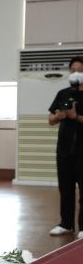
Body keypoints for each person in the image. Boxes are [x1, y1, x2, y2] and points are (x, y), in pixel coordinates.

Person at [48, 56, 83, 238]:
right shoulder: (62, 93)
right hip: (64, 151)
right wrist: (60, 116)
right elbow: (50, 119)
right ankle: (66, 224)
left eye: (80, 69)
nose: (76, 73)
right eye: (73, 70)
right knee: (65, 189)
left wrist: (75, 116)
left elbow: (77, 118)